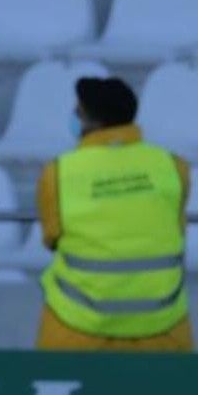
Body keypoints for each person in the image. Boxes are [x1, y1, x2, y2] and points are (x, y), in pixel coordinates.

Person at [37, 76, 192, 352]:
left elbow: (53, 239)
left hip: (77, 330)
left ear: (89, 121)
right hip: (164, 329)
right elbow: (175, 228)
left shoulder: (59, 173)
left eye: (77, 110)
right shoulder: (173, 166)